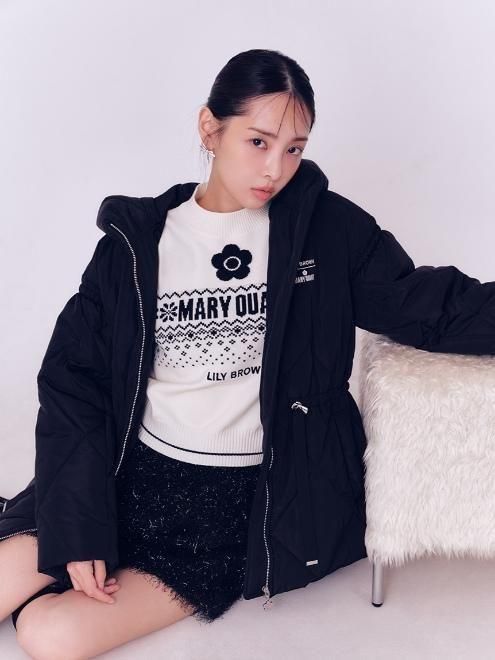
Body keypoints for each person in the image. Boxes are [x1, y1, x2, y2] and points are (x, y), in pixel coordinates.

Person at [2, 47, 495, 659]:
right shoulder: (139, 241)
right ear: (210, 129)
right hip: (129, 475)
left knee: (47, 636)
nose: (275, 168)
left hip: (238, 506)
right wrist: (79, 528)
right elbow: (74, 381)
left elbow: (435, 307)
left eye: (294, 149)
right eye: (258, 142)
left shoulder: (327, 232)